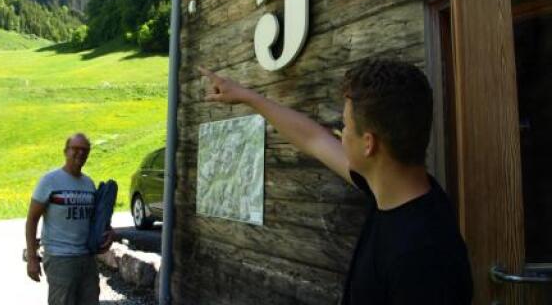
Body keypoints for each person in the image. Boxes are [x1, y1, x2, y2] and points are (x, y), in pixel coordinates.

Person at [200, 58, 473, 304]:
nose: (339, 135)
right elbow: (314, 139)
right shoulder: (395, 189)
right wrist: (247, 96)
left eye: (345, 127)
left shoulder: (424, 261)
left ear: (369, 144)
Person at [25, 133, 115, 305]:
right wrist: (31, 258)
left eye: (85, 150)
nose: (80, 153)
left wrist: (109, 231)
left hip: (87, 258)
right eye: (75, 149)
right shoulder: (49, 181)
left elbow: (95, 220)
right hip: (60, 259)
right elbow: (32, 220)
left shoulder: (89, 183)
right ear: (66, 151)